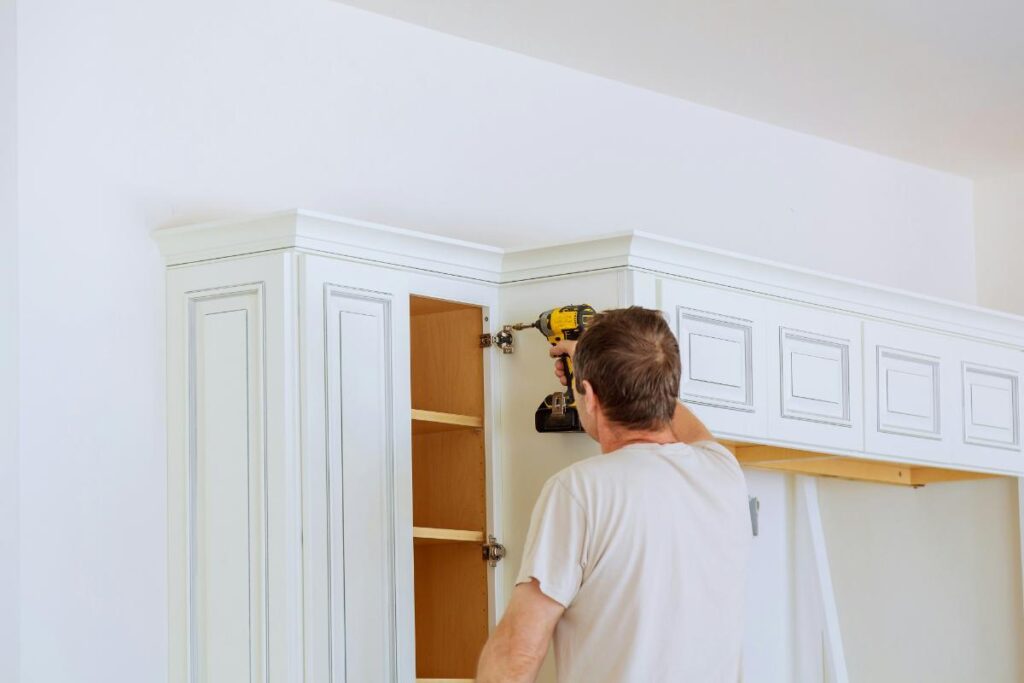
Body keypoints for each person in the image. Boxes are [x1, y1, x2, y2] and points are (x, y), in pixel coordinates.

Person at [476, 307, 751, 682]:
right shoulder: (722, 473)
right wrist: (614, 369)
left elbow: (518, 651)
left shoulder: (578, 491)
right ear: (668, 387)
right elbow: (681, 418)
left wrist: (597, 371)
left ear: (587, 395)